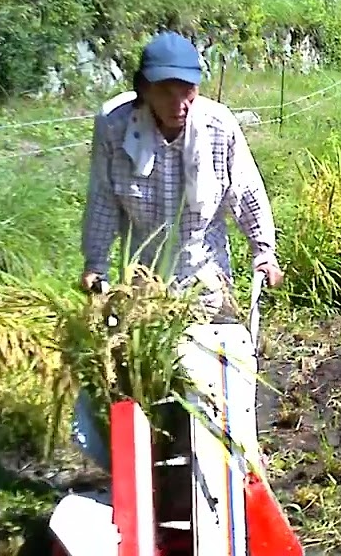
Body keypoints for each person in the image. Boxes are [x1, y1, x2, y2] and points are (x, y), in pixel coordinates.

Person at [72, 30, 283, 468]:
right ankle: (153, 460)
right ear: (143, 89)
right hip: (143, 279)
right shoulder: (115, 127)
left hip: (204, 270)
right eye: (167, 92)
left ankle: (221, 460)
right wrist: (95, 262)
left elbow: (245, 191)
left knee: (212, 373)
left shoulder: (217, 125)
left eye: (188, 90)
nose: (180, 104)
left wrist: (264, 249)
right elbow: (103, 198)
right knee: (147, 377)